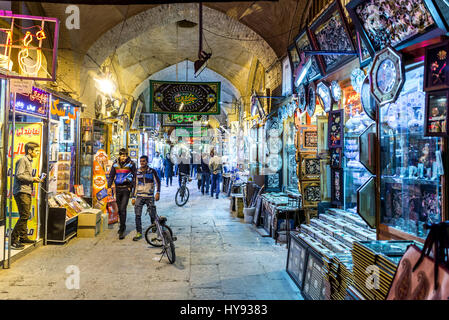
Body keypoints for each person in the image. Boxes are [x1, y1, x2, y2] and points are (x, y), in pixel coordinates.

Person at [11, 142, 43, 249]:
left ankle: (23, 237)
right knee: (24, 215)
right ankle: (13, 239)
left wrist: (35, 179)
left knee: (25, 215)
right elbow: (19, 175)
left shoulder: (29, 161)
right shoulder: (23, 160)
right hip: (21, 192)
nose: (38, 153)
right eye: (36, 150)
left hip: (26, 191)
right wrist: (32, 179)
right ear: (30, 151)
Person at [107, 148, 137, 240]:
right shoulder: (115, 163)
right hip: (118, 189)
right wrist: (108, 187)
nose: (124, 157)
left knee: (123, 209)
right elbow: (111, 175)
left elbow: (135, 176)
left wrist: (132, 189)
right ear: (119, 155)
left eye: (125, 155)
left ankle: (122, 229)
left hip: (126, 189)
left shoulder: (131, 164)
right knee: (119, 210)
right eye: (122, 155)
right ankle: (122, 225)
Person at [131, 155, 160, 241]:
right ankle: (139, 232)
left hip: (149, 196)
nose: (142, 163)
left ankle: (153, 226)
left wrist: (158, 193)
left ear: (147, 162)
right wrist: (133, 197)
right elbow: (135, 185)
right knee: (137, 214)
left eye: (144, 161)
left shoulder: (152, 171)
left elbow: (158, 182)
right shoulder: (137, 172)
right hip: (139, 196)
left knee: (152, 213)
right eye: (141, 161)